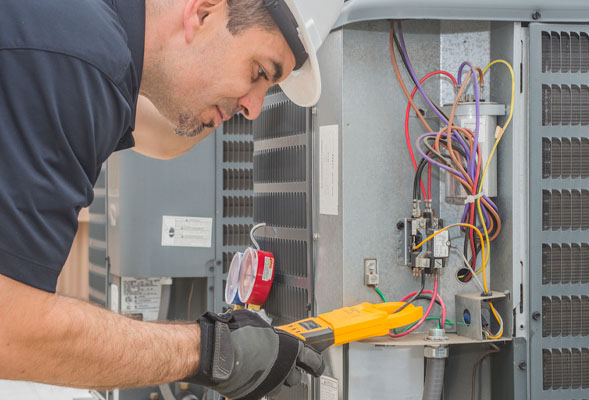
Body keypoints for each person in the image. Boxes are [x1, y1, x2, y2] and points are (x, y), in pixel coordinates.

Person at [0, 0, 342, 398]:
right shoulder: (83, 59)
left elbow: (163, 138)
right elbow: (11, 328)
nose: (253, 108)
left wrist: (220, 97)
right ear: (204, 13)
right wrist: (213, 351)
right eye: (259, 72)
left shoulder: (87, 30)